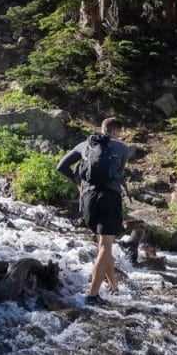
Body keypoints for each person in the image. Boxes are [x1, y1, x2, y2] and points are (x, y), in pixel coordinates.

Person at [56, 117, 129, 304]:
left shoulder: (85, 144)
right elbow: (119, 174)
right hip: (109, 197)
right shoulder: (121, 147)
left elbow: (61, 166)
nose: (120, 135)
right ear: (114, 132)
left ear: (101, 128)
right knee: (105, 246)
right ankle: (92, 295)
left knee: (104, 245)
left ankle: (113, 286)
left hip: (88, 200)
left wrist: (78, 183)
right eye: (119, 132)